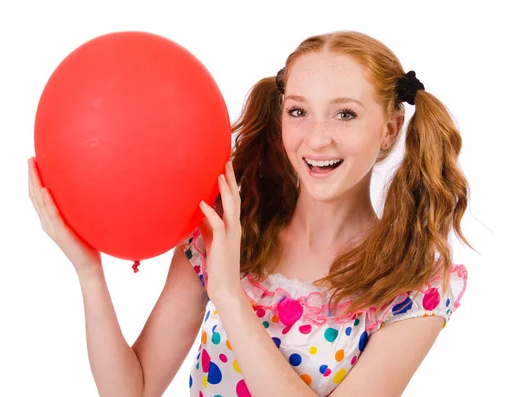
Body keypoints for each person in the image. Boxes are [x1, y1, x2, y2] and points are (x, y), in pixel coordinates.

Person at [28, 30, 471, 397]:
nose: (317, 140)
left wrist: (229, 297)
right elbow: (132, 391)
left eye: (345, 115)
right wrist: (88, 269)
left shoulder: (415, 283)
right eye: (299, 111)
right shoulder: (226, 235)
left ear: (389, 130)